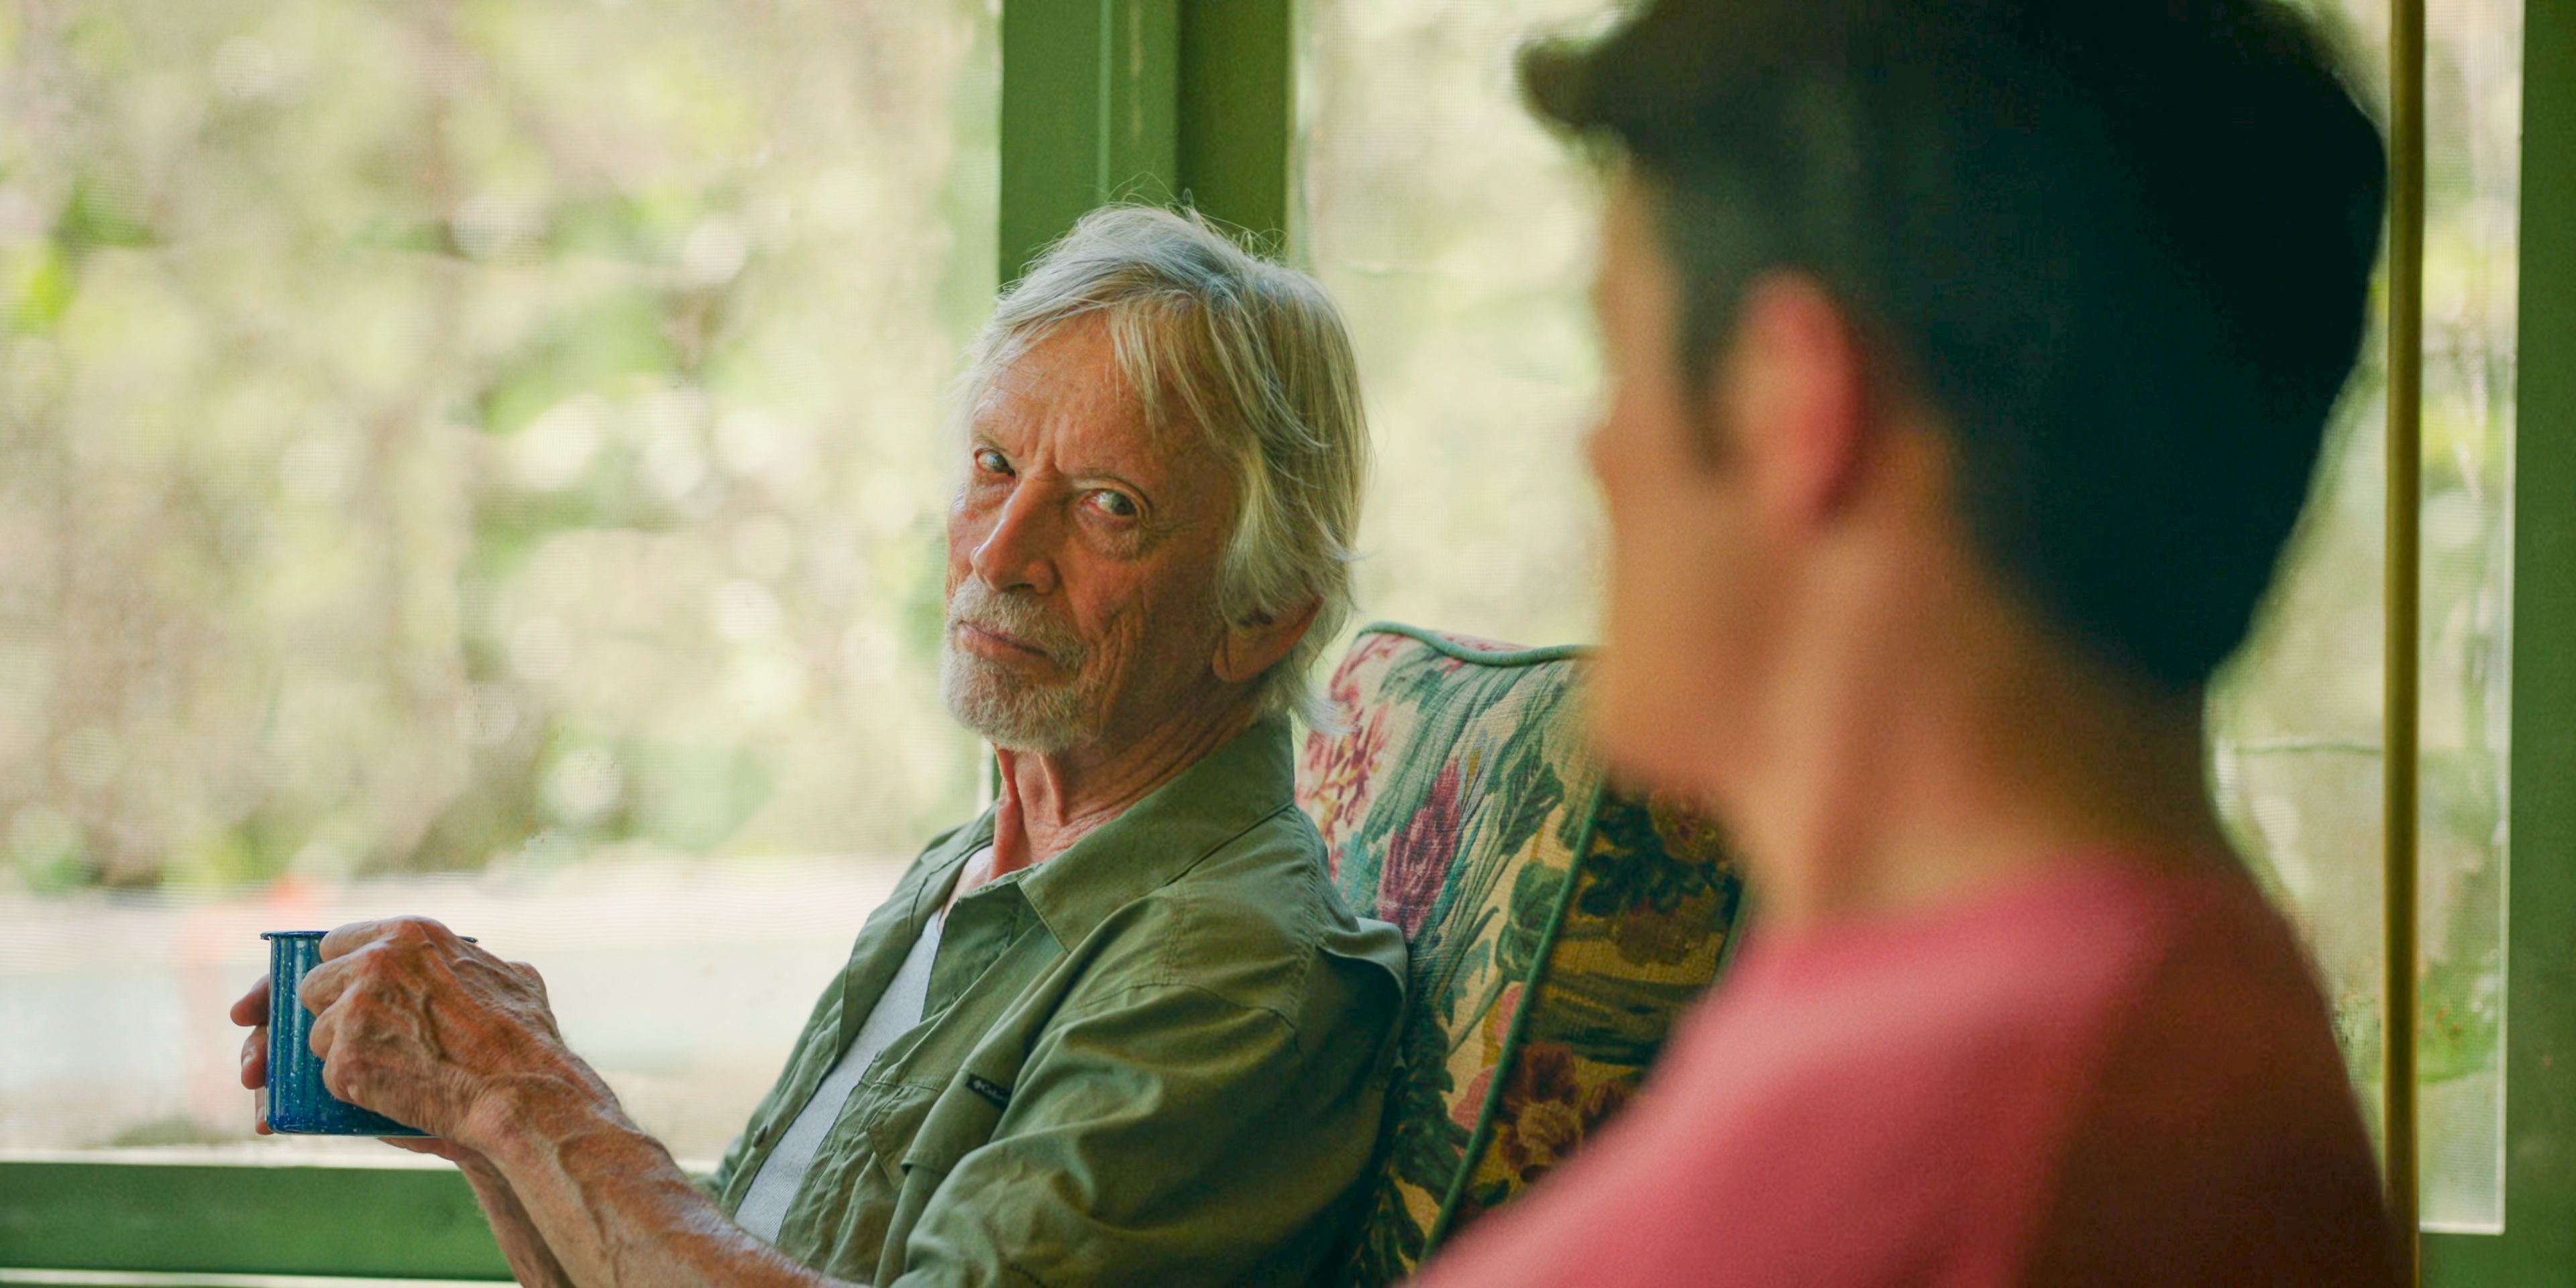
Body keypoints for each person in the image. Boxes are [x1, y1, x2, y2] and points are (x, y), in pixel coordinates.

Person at [229, 206, 1405, 1286]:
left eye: (1109, 506)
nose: (999, 556)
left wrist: (523, 1096)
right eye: (995, 467)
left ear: (1264, 616)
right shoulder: (966, 871)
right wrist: (480, 1118)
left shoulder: (1232, 972)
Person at [1413, 0, 2404, 1283]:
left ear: (1794, 403)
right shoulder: (2101, 1016)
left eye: (1619, 353)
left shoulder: (2020, 1122)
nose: (1596, 453)